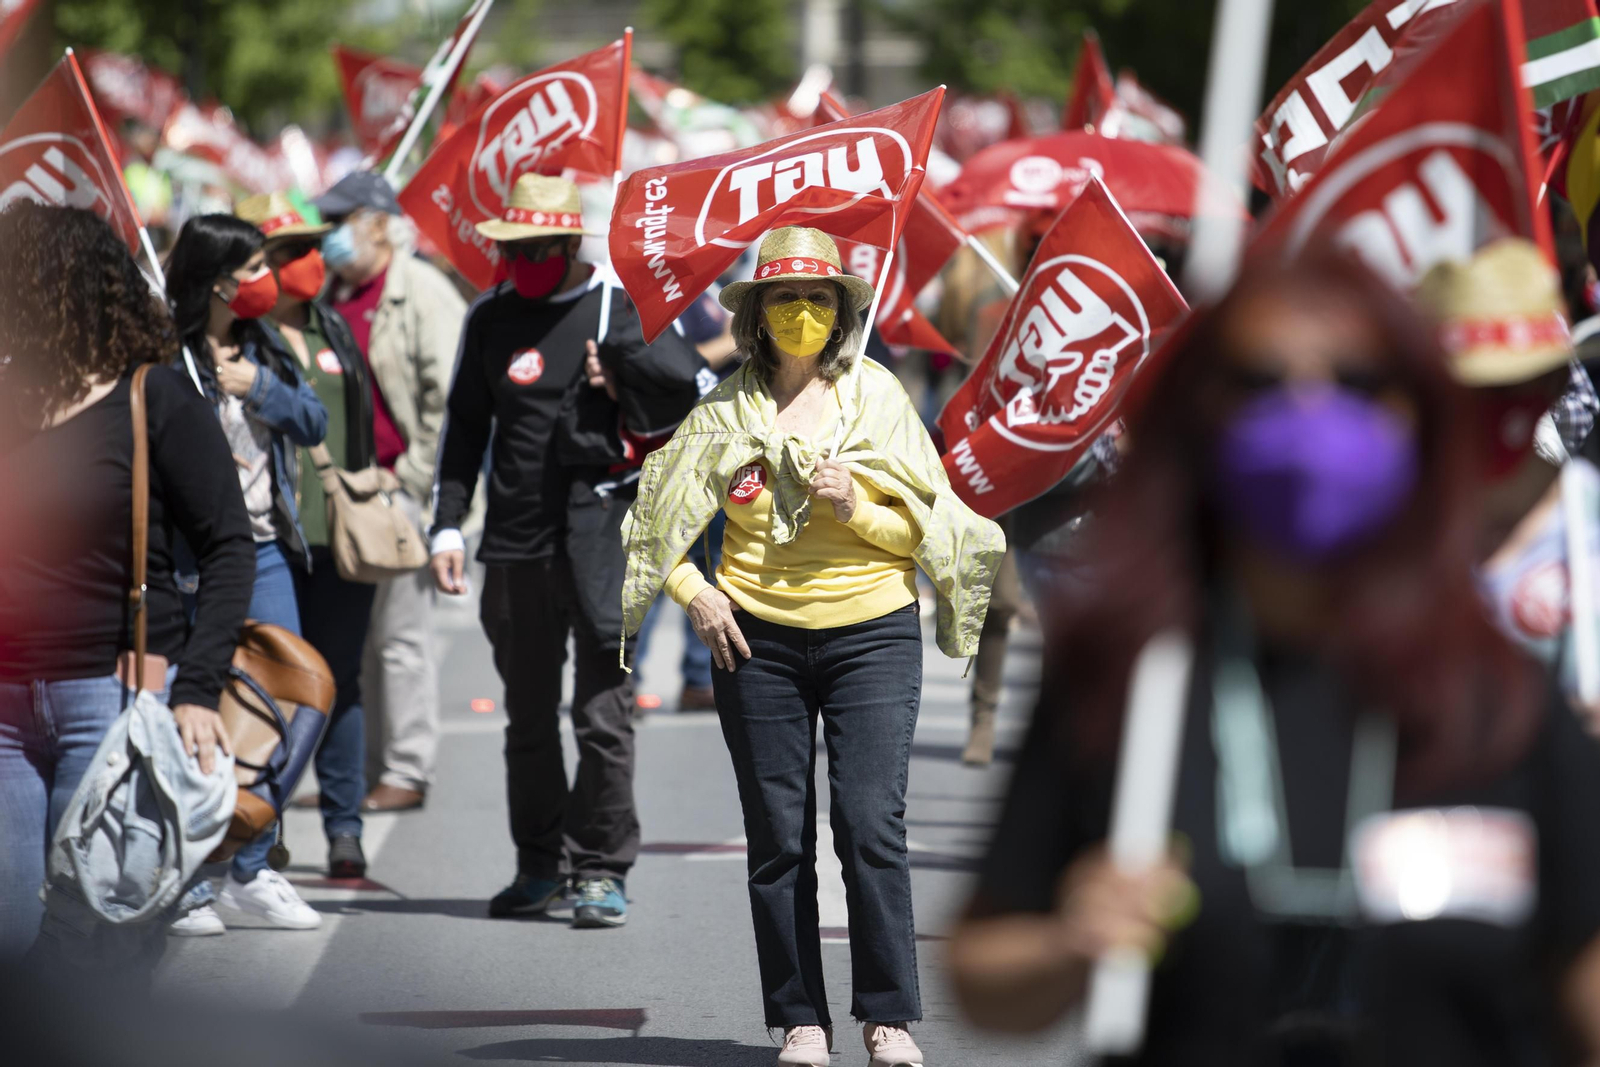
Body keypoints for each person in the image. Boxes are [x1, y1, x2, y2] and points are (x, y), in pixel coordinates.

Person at [948, 250, 1600, 1064]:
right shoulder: (1131, 684)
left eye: (1356, 383)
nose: (1309, 413)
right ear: (1199, 415)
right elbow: (981, 968)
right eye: (1260, 382)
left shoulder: (1500, 702)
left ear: (1416, 416)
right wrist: (1071, 941)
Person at [620, 227, 1006, 1067]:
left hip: (872, 635)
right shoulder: (724, 410)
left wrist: (856, 506)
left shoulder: (878, 398)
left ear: (841, 311)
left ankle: (888, 1017)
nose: (802, 311)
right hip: (755, 644)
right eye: (786, 298)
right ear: (757, 314)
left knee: (870, 824)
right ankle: (800, 1019)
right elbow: (650, 524)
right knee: (777, 837)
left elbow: (929, 526)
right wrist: (695, 593)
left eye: (818, 297)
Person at [429, 174, 705, 930]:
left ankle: (601, 869)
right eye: (512, 249)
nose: (524, 262)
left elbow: (692, 397)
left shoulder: (621, 307)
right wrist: (447, 525)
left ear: (570, 243)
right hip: (514, 546)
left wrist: (623, 383)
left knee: (602, 716)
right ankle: (537, 865)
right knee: (526, 719)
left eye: (539, 248)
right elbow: (464, 428)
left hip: (606, 540)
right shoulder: (489, 314)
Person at [0, 203, 252, 967]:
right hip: (6, 710)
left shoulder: (155, 398)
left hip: (111, 703)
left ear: (53, 292)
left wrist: (198, 688)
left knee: (101, 940)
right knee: (13, 937)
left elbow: (228, 547)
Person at [164, 213, 329, 932]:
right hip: (189, 561)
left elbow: (314, 421)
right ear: (217, 281)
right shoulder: (166, 353)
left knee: (280, 704)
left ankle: (250, 864)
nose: (268, 278)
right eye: (254, 267)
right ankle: (186, 877)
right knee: (194, 711)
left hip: (263, 551)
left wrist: (258, 386)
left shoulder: (263, 344)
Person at [236, 192, 378, 879]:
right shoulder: (242, 337)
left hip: (342, 536)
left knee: (342, 681)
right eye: (292, 250)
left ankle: (345, 827)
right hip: (273, 540)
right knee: (278, 686)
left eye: (315, 246)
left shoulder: (333, 326)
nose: (311, 260)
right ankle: (259, 833)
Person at [315, 170, 466, 813]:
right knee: (353, 642)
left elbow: (450, 400)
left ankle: (405, 768)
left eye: (339, 220)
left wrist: (412, 480)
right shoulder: (328, 292)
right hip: (340, 494)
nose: (328, 233)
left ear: (377, 223)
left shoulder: (421, 291)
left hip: (395, 491)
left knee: (399, 638)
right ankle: (363, 771)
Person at [1420, 240, 1600, 729]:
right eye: (1472, 391)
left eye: (1516, 385)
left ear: (1556, 385)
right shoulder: (1396, 542)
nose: (1496, 410)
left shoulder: (1590, 523)